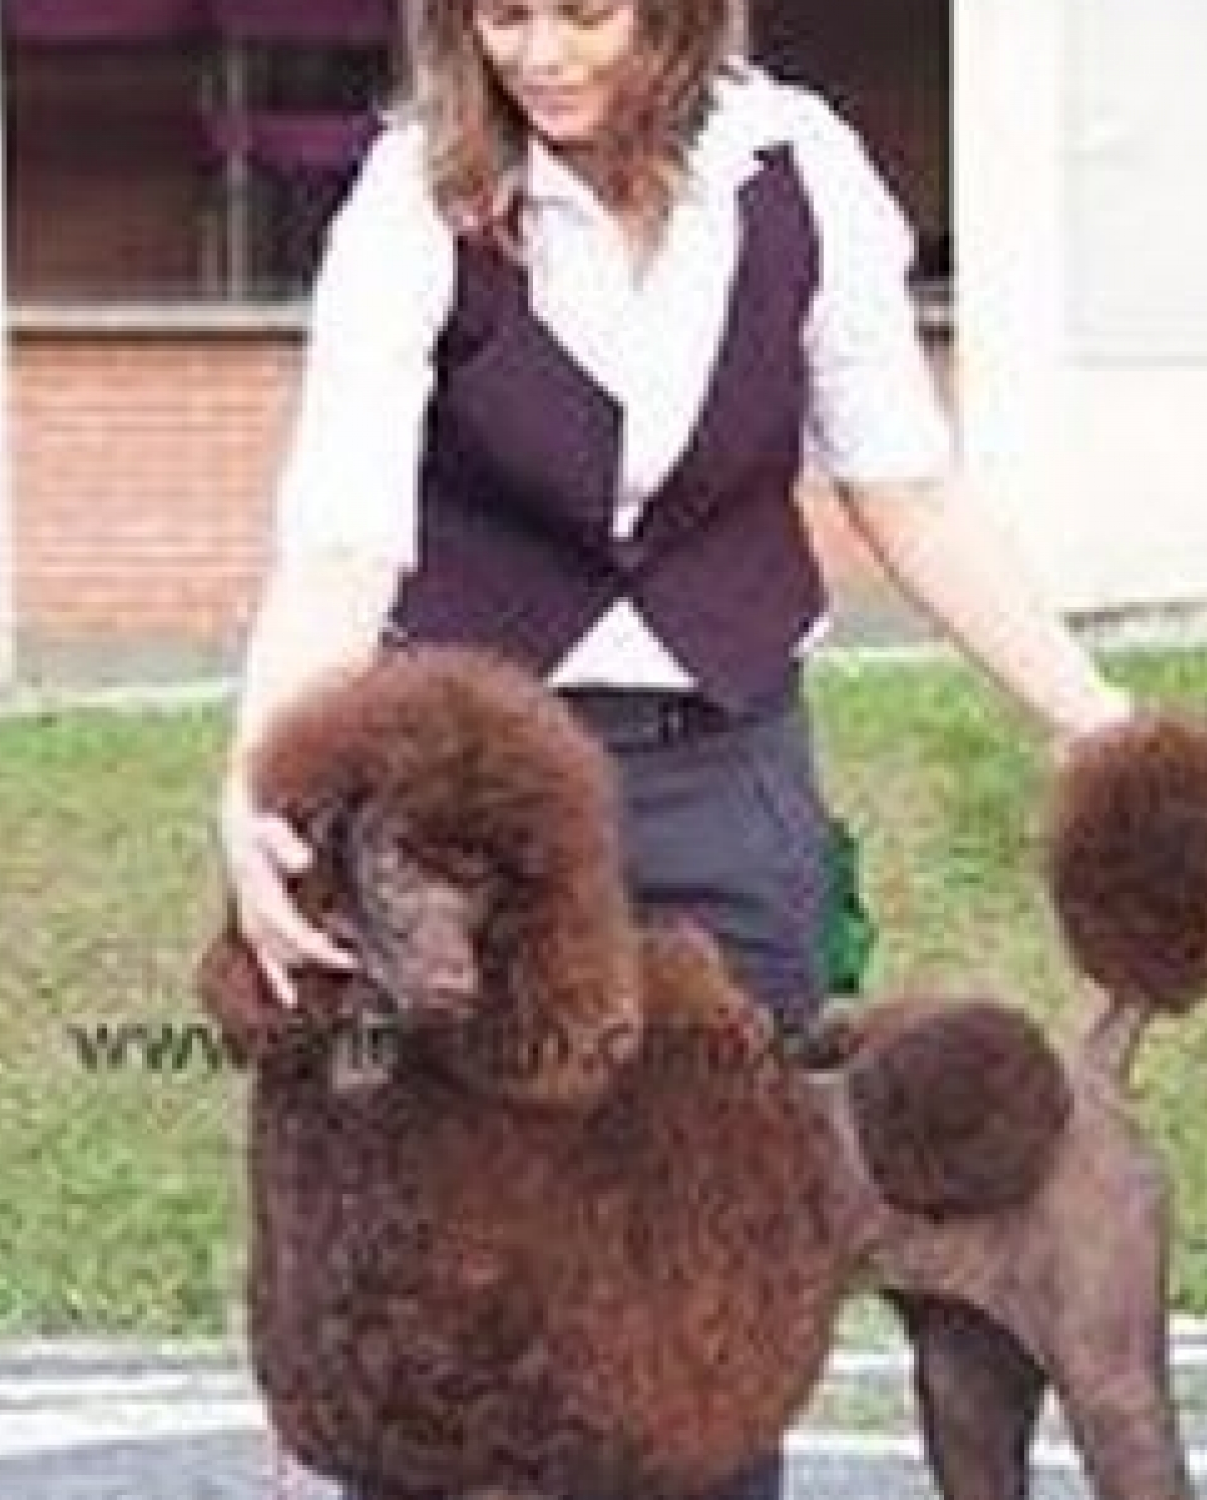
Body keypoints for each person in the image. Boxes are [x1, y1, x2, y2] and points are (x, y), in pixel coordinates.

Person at [216, 0, 1133, 1494]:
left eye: (587, 12)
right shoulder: (412, 198)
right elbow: (338, 542)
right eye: (503, 13)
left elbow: (907, 487)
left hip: (728, 788)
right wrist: (258, 790)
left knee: (713, 1317)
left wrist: (1088, 716)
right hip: (473, 842)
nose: (541, 54)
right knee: (454, 1302)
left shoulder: (803, 172)